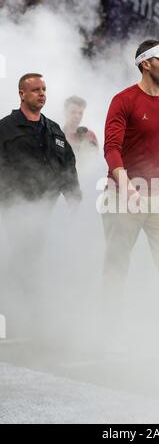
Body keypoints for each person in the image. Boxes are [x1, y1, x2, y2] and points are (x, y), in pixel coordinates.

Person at [102, 39, 159, 348]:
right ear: (146, 63)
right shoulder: (123, 100)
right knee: (117, 264)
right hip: (124, 192)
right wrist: (126, 186)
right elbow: (111, 148)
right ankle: (109, 332)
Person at [0, 73, 81, 338]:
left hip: (49, 212)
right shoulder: (5, 128)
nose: (41, 94)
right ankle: (14, 321)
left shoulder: (54, 129)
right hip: (15, 210)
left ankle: (37, 322)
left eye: (44, 89)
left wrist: (74, 199)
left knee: (42, 265)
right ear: (22, 94)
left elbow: (68, 165)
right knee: (20, 264)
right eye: (35, 90)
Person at [63, 95, 99, 171]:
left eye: (80, 113)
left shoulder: (89, 135)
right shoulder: (56, 135)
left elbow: (95, 162)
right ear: (65, 112)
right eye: (73, 112)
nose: (77, 116)